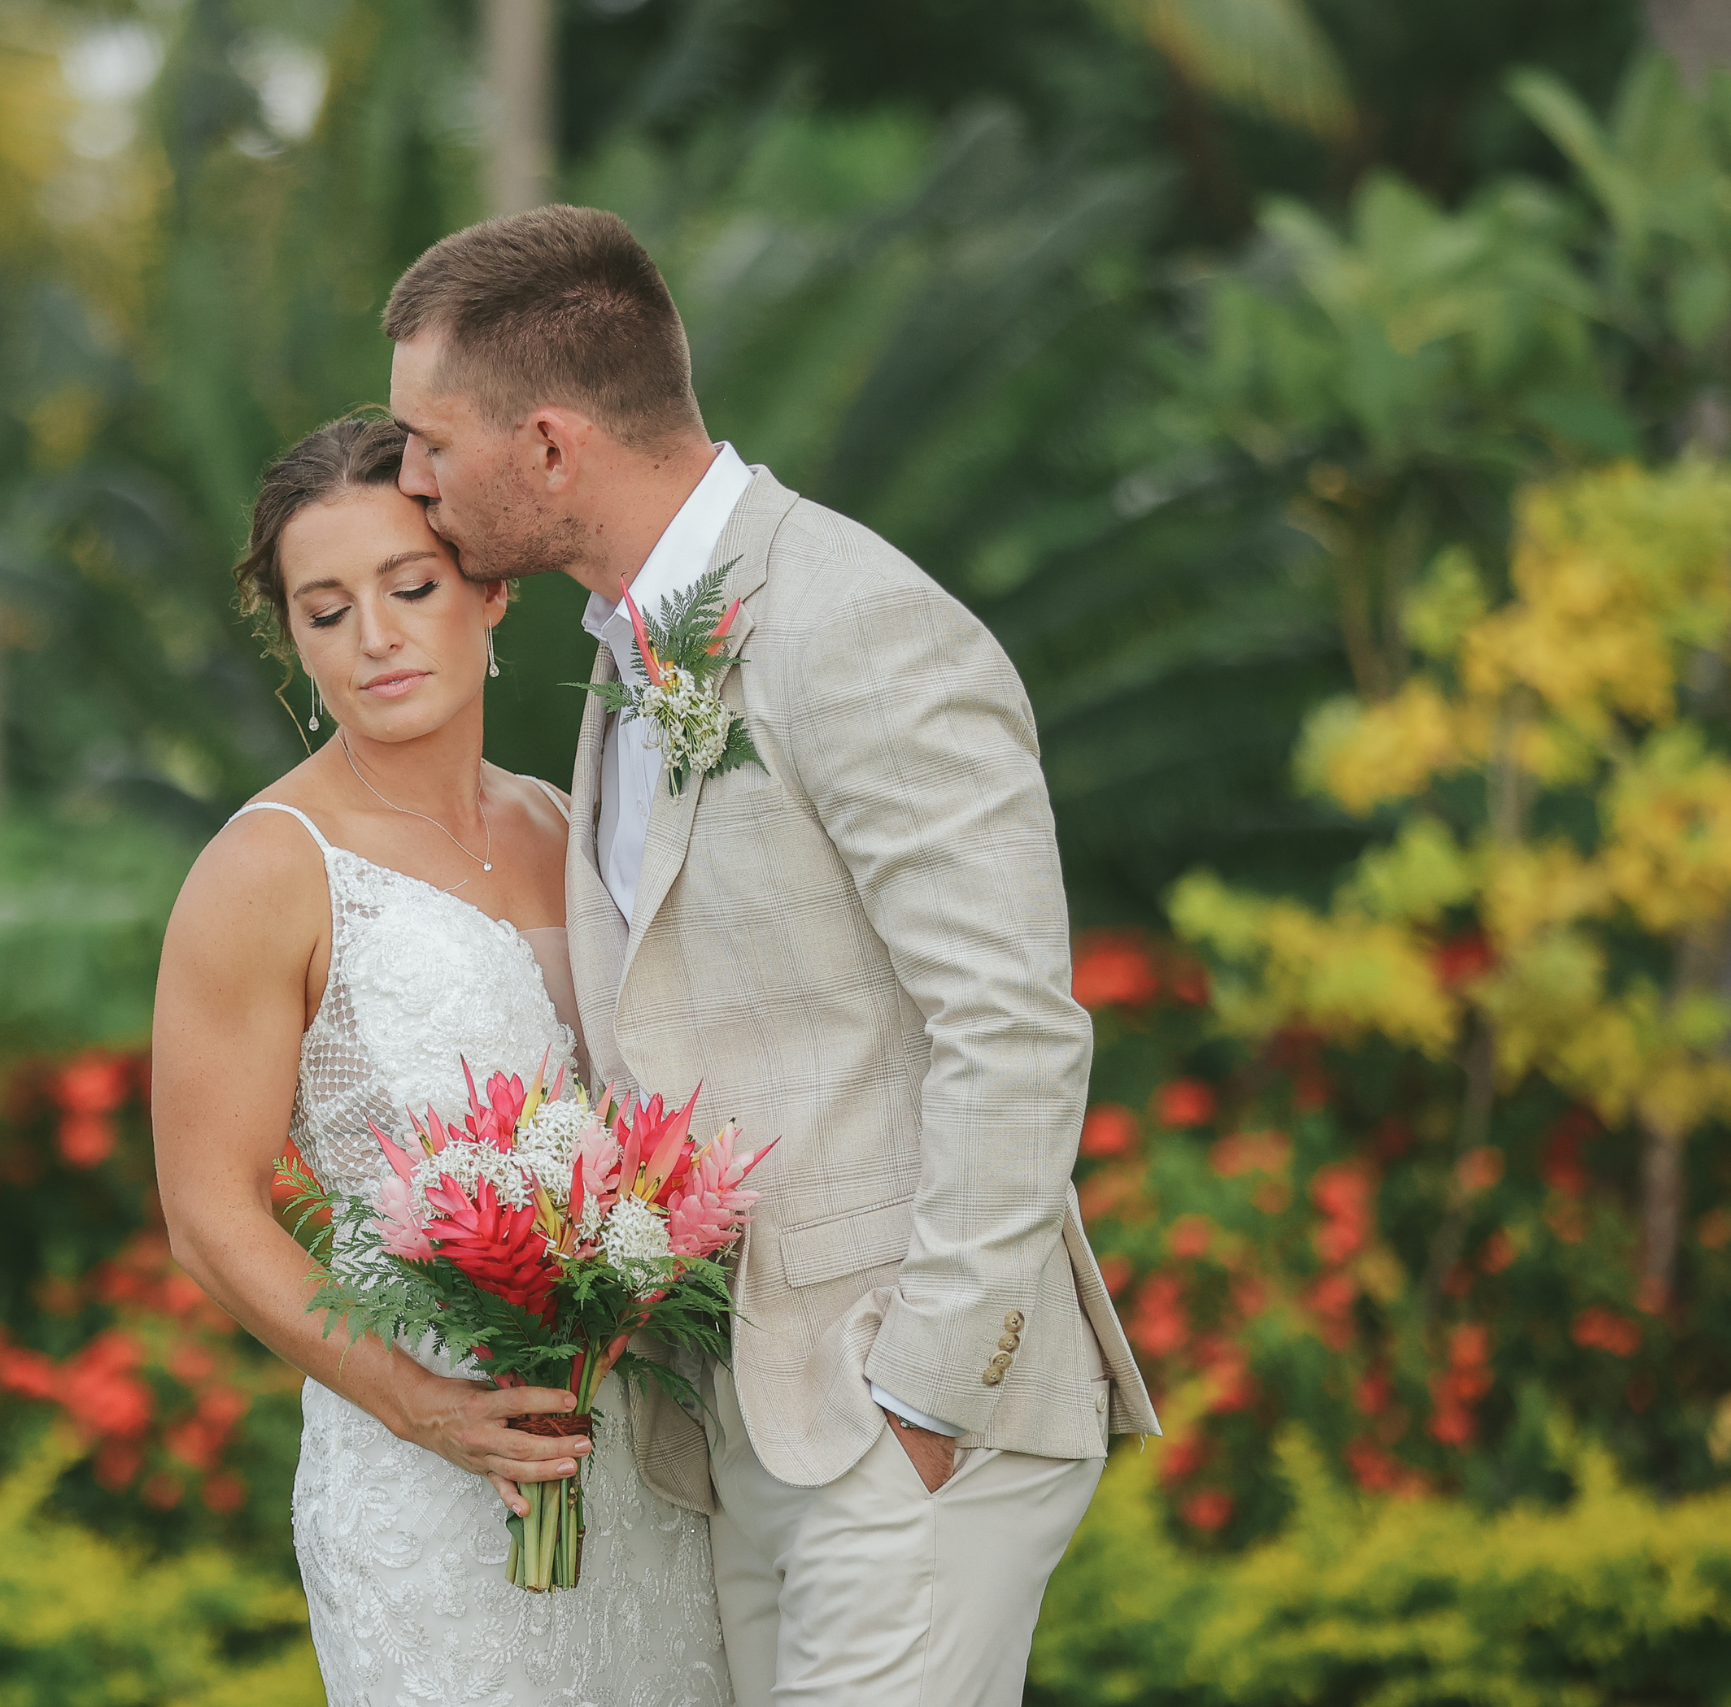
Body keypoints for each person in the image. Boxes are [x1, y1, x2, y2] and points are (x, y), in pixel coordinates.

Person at [381, 205, 1161, 1706]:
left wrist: (924, 1395)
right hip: (742, 1422)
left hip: (896, 1409)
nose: (409, 480)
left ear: (549, 447)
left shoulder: (858, 621)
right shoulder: (629, 650)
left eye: (428, 440)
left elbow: (1014, 1026)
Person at [151, 415, 732, 1707]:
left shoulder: (577, 827)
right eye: (325, 609)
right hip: (421, 1481)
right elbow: (207, 1209)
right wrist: (417, 1403)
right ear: (295, 641)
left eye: (409, 586)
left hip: (638, 1458)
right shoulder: (265, 869)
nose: (375, 635)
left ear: (490, 588)